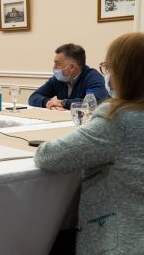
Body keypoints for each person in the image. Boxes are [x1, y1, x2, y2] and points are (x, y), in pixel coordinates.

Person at [34, 32, 144, 254]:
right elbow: (36, 97)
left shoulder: (117, 119)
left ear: (124, 72)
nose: (108, 75)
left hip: (121, 241)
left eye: (110, 67)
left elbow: (48, 157)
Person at [29, 44, 109, 110]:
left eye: (57, 63)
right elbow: (34, 97)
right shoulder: (58, 79)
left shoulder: (92, 77)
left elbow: (97, 101)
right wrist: (48, 102)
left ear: (72, 67)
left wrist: (63, 103)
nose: (54, 67)